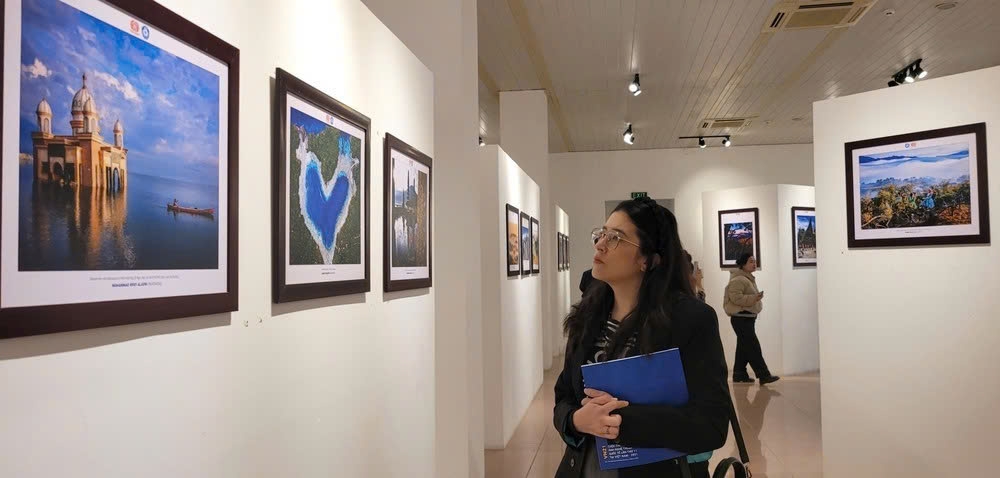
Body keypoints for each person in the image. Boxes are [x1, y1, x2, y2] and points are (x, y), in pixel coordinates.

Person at [553, 198, 729, 478]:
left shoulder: (690, 320)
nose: (600, 244)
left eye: (616, 238)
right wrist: (576, 420)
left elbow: (711, 426)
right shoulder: (586, 316)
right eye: (601, 233)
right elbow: (563, 396)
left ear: (648, 259)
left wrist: (619, 421)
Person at [723, 253, 779, 385]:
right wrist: (754, 298)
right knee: (753, 346)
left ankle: (739, 374)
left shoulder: (746, 278)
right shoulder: (738, 279)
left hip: (746, 317)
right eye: (751, 262)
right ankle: (763, 375)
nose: (754, 264)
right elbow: (736, 298)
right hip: (740, 318)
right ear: (743, 264)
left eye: (754, 261)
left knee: (744, 346)